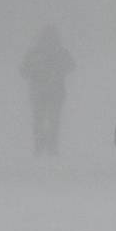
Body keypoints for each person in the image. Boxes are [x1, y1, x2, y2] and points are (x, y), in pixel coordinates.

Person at [20, 25, 75, 156]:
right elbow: (71, 65)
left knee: (38, 120)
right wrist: (58, 71)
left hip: (38, 92)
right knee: (54, 120)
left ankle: (39, 147)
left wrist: (34, 72)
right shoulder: (60, 51)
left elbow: (23, 71)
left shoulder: (34, 52)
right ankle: (52, 147)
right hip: (56, 92)